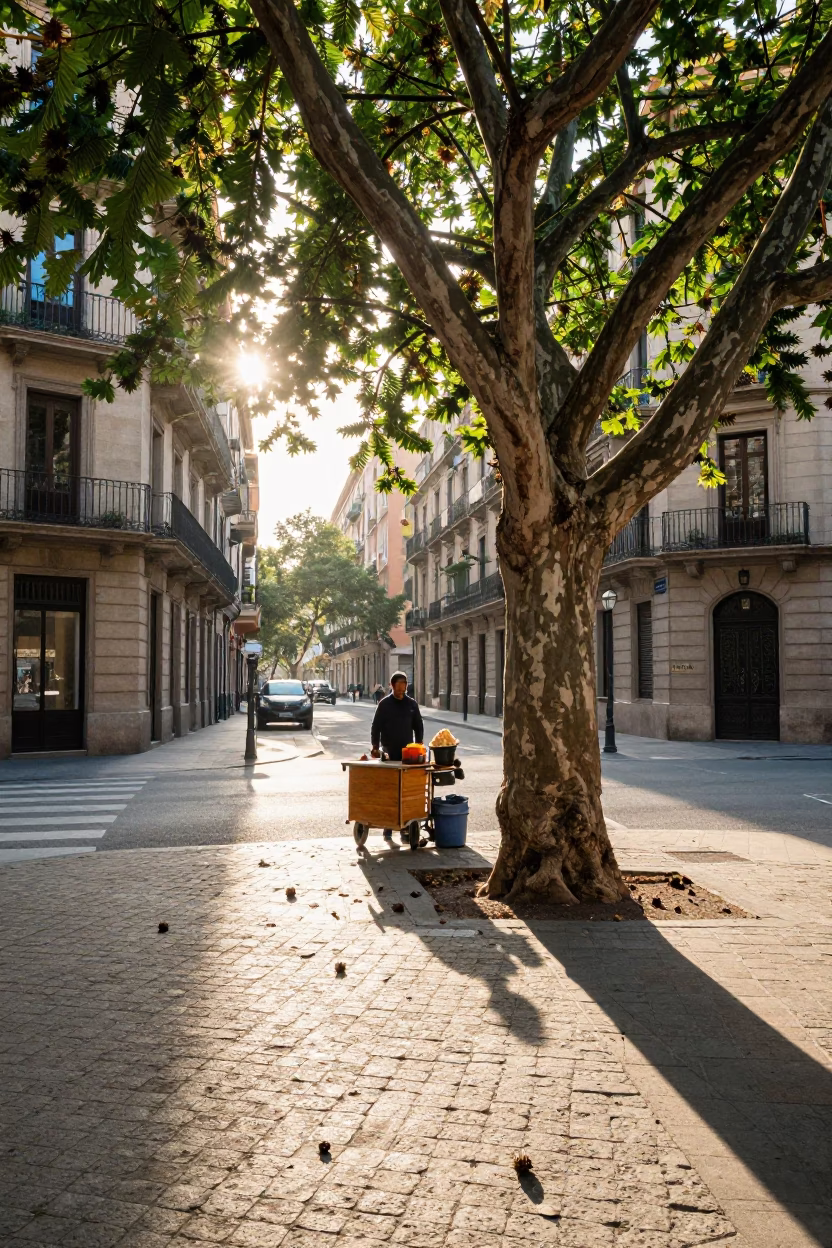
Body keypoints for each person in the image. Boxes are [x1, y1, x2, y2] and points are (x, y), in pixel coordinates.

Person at [371, 672, 424, 839]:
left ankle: (404, 828)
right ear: (392, 686)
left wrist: (419, 744)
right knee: (391, 790)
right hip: (389, 752)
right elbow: (376, 726)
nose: (402, 690)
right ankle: (388, 827)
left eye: (405, 686)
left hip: (408, 753)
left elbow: (418, 726)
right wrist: (375, 746)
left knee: (406, 791)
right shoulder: (384, 704)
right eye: (399, 686)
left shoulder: (412, 704)